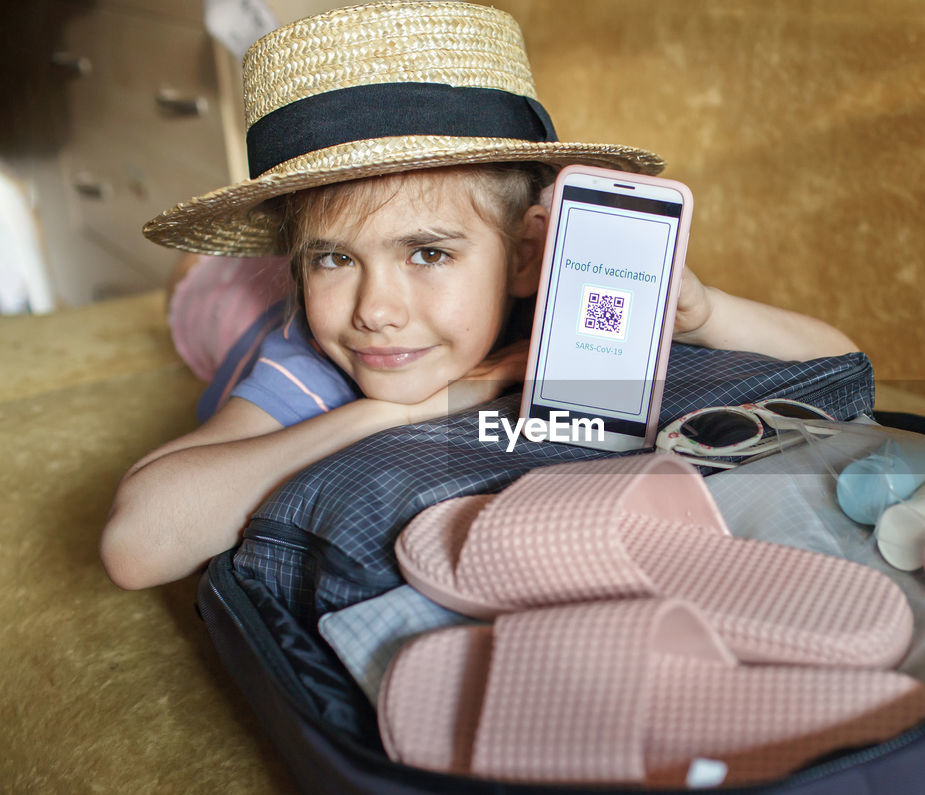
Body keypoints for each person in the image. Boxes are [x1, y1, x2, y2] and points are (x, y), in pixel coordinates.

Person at [100, 1, 857, 590]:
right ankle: (231, 267)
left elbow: (840, 367)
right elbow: (137, 544)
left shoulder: (569, 306)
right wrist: (403, 407)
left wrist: (706, 313)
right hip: (229, 302)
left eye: (427, 251)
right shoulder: (311, 351)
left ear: (528, 252)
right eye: (334, 259)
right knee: (203, 284)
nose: (375, 309)